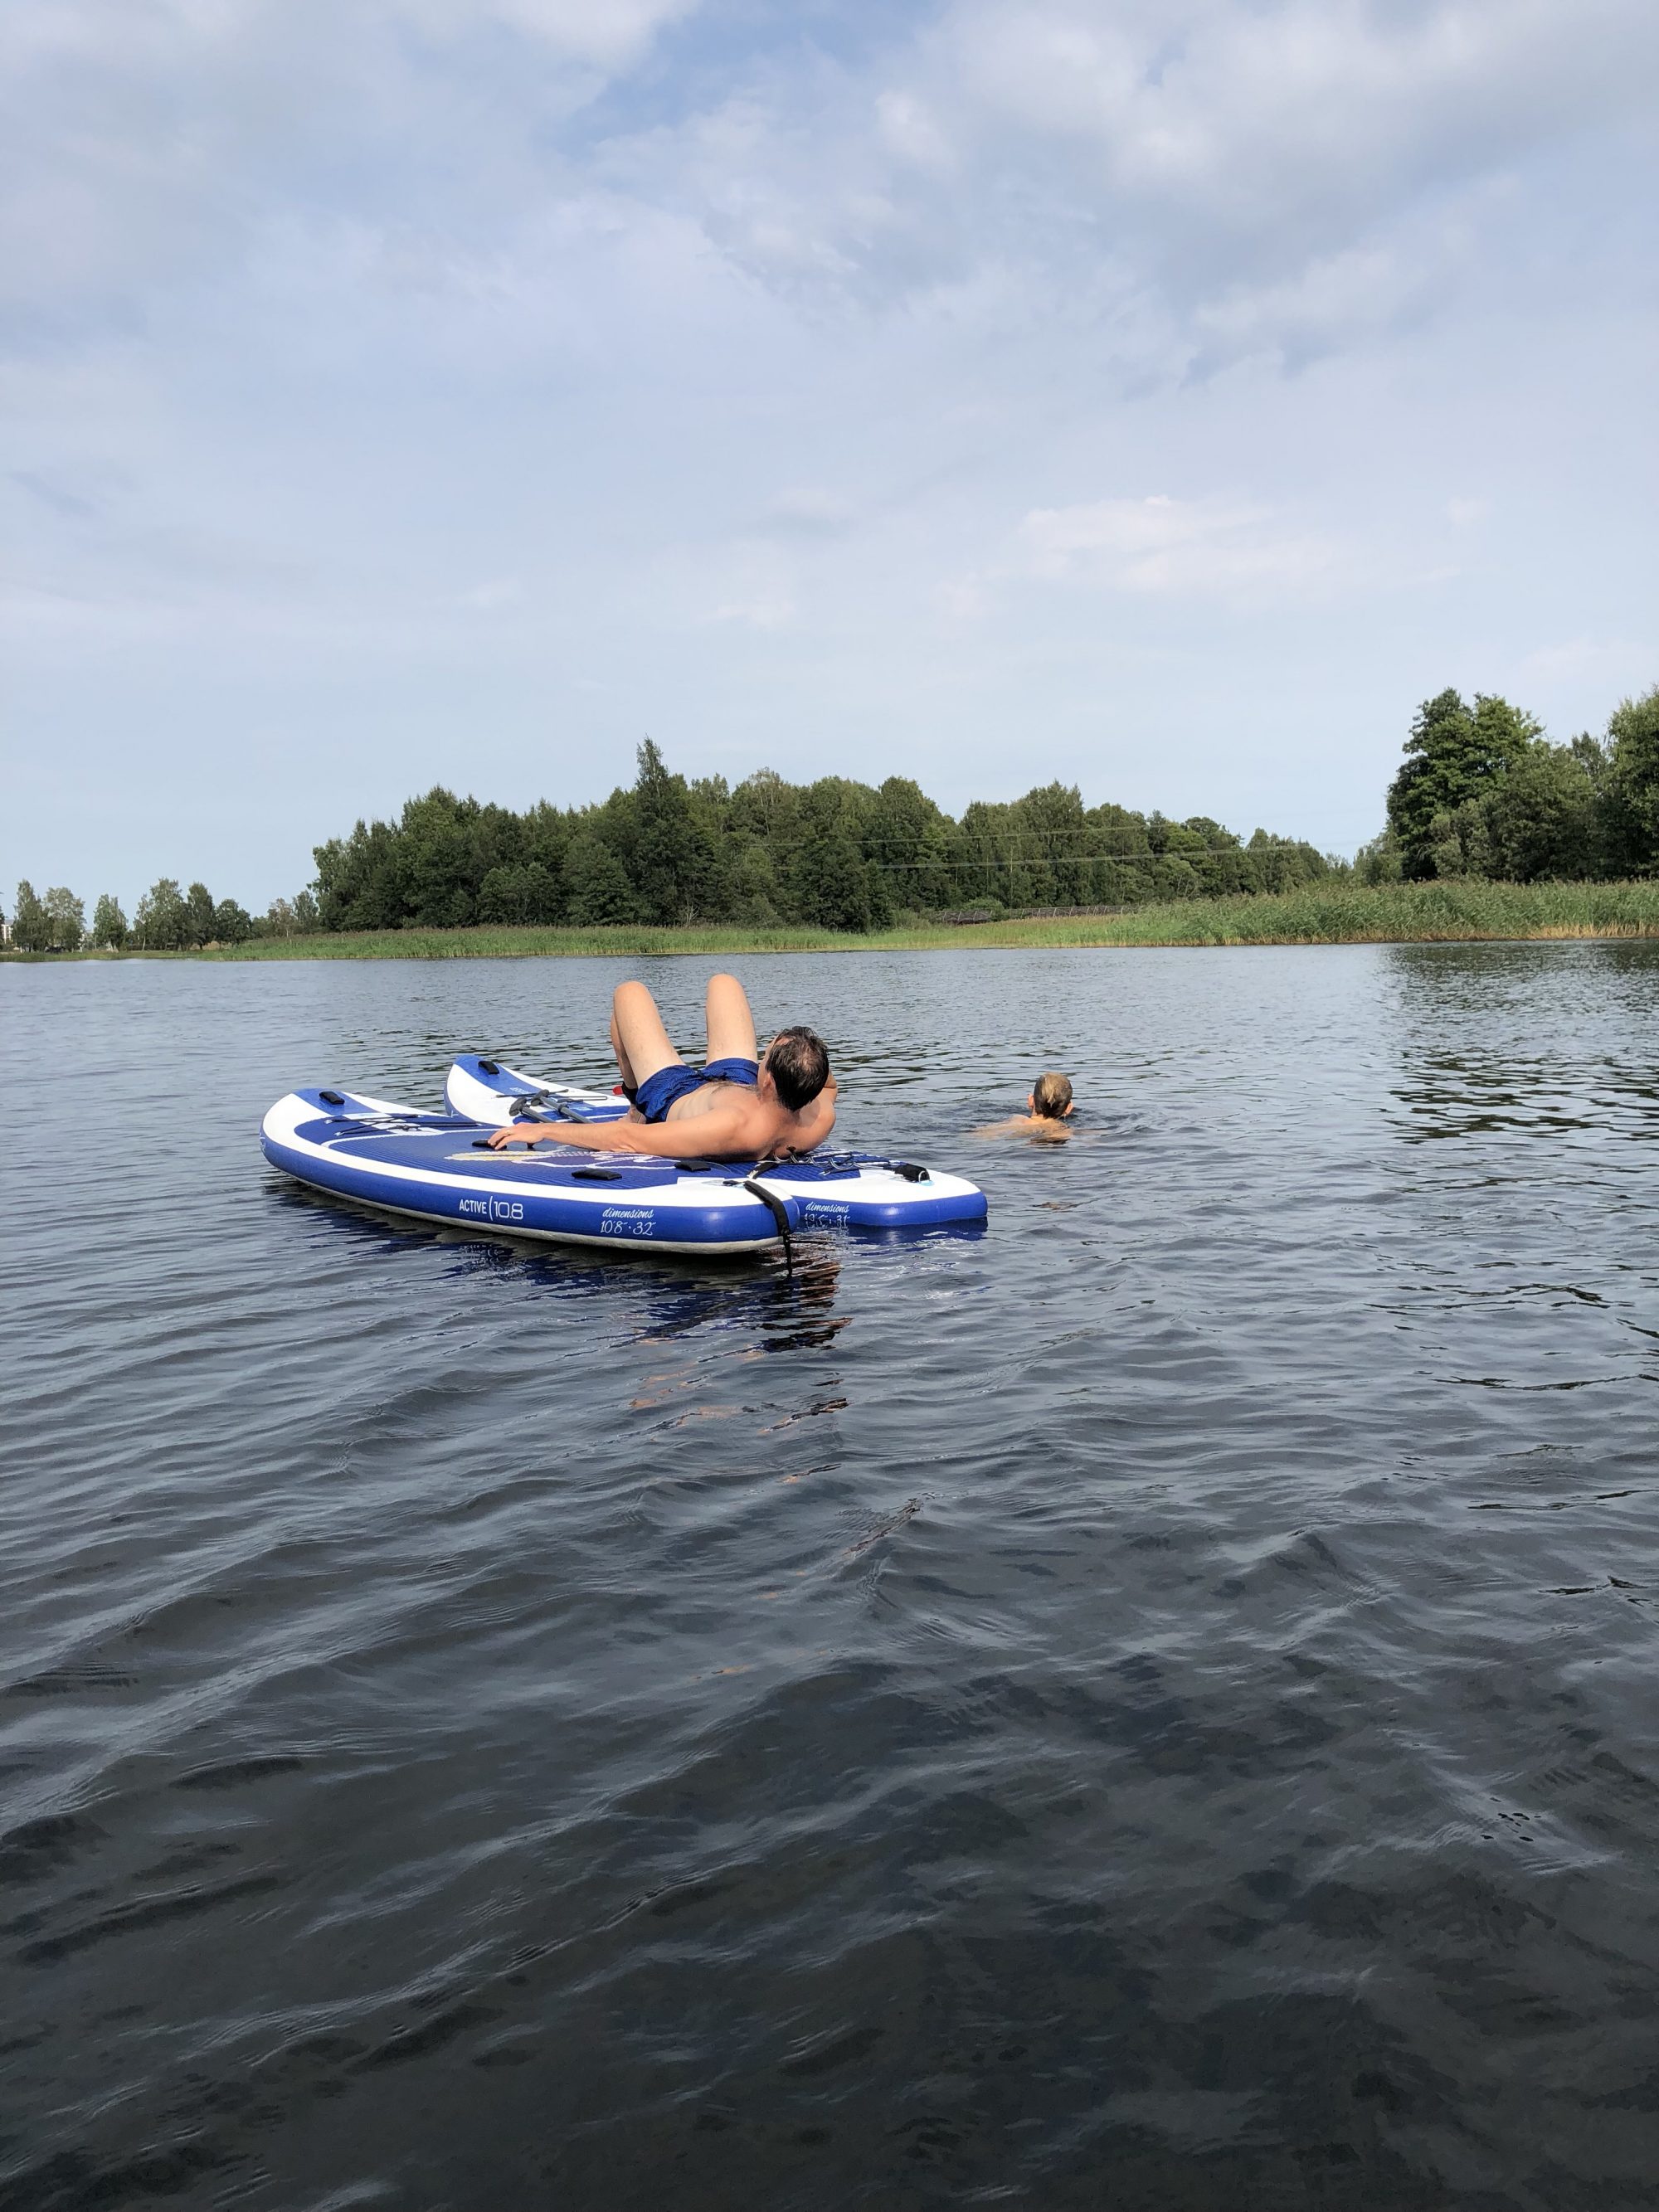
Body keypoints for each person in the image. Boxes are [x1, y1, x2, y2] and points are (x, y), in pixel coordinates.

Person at [485, 973, 835, 1162]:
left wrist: (545, 1132)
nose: (762, 1054)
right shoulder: (816, 1118)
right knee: (724, 983)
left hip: (675, 1094)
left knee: (629, 993)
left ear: (770, 1081)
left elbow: (628, 1140)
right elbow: (830, 1087)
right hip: (739, 1086)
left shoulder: (732, 1127)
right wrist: (803, 1050)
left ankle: (637, 1105)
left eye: (766, 1055)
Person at [975, 1070, 1075, 1141]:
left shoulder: (1018, 1120)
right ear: (1068, 1108)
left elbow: (979, 1135)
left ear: (1031, 1100)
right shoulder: (1066, 1132)